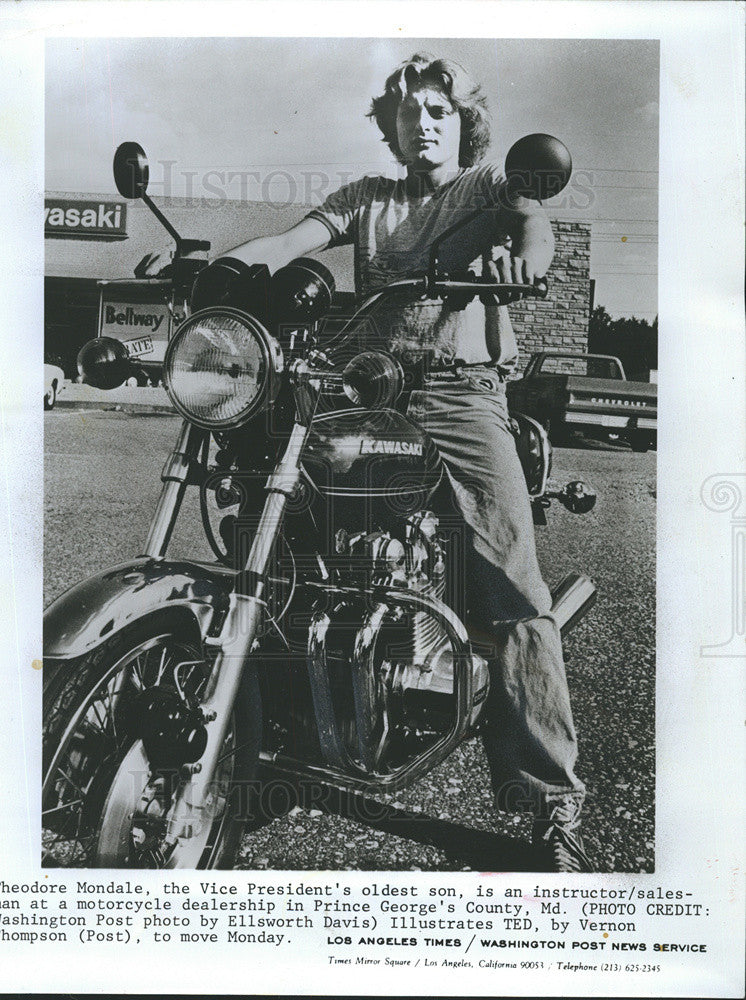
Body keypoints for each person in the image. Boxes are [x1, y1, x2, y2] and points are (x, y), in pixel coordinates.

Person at [147, 53, 592, 872]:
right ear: (387, 124)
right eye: (407, 110)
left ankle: (549, 801)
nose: (422, 122)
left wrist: (526, 260)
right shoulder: (367, 199)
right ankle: (264, 719)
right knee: (266, 514)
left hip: (459, 391)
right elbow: (294, 236)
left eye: (438, 110)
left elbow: (532, 221)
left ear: (462, 123)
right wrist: (240, 266)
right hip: (364, 380)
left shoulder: (487, 187)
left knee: (510, 583)